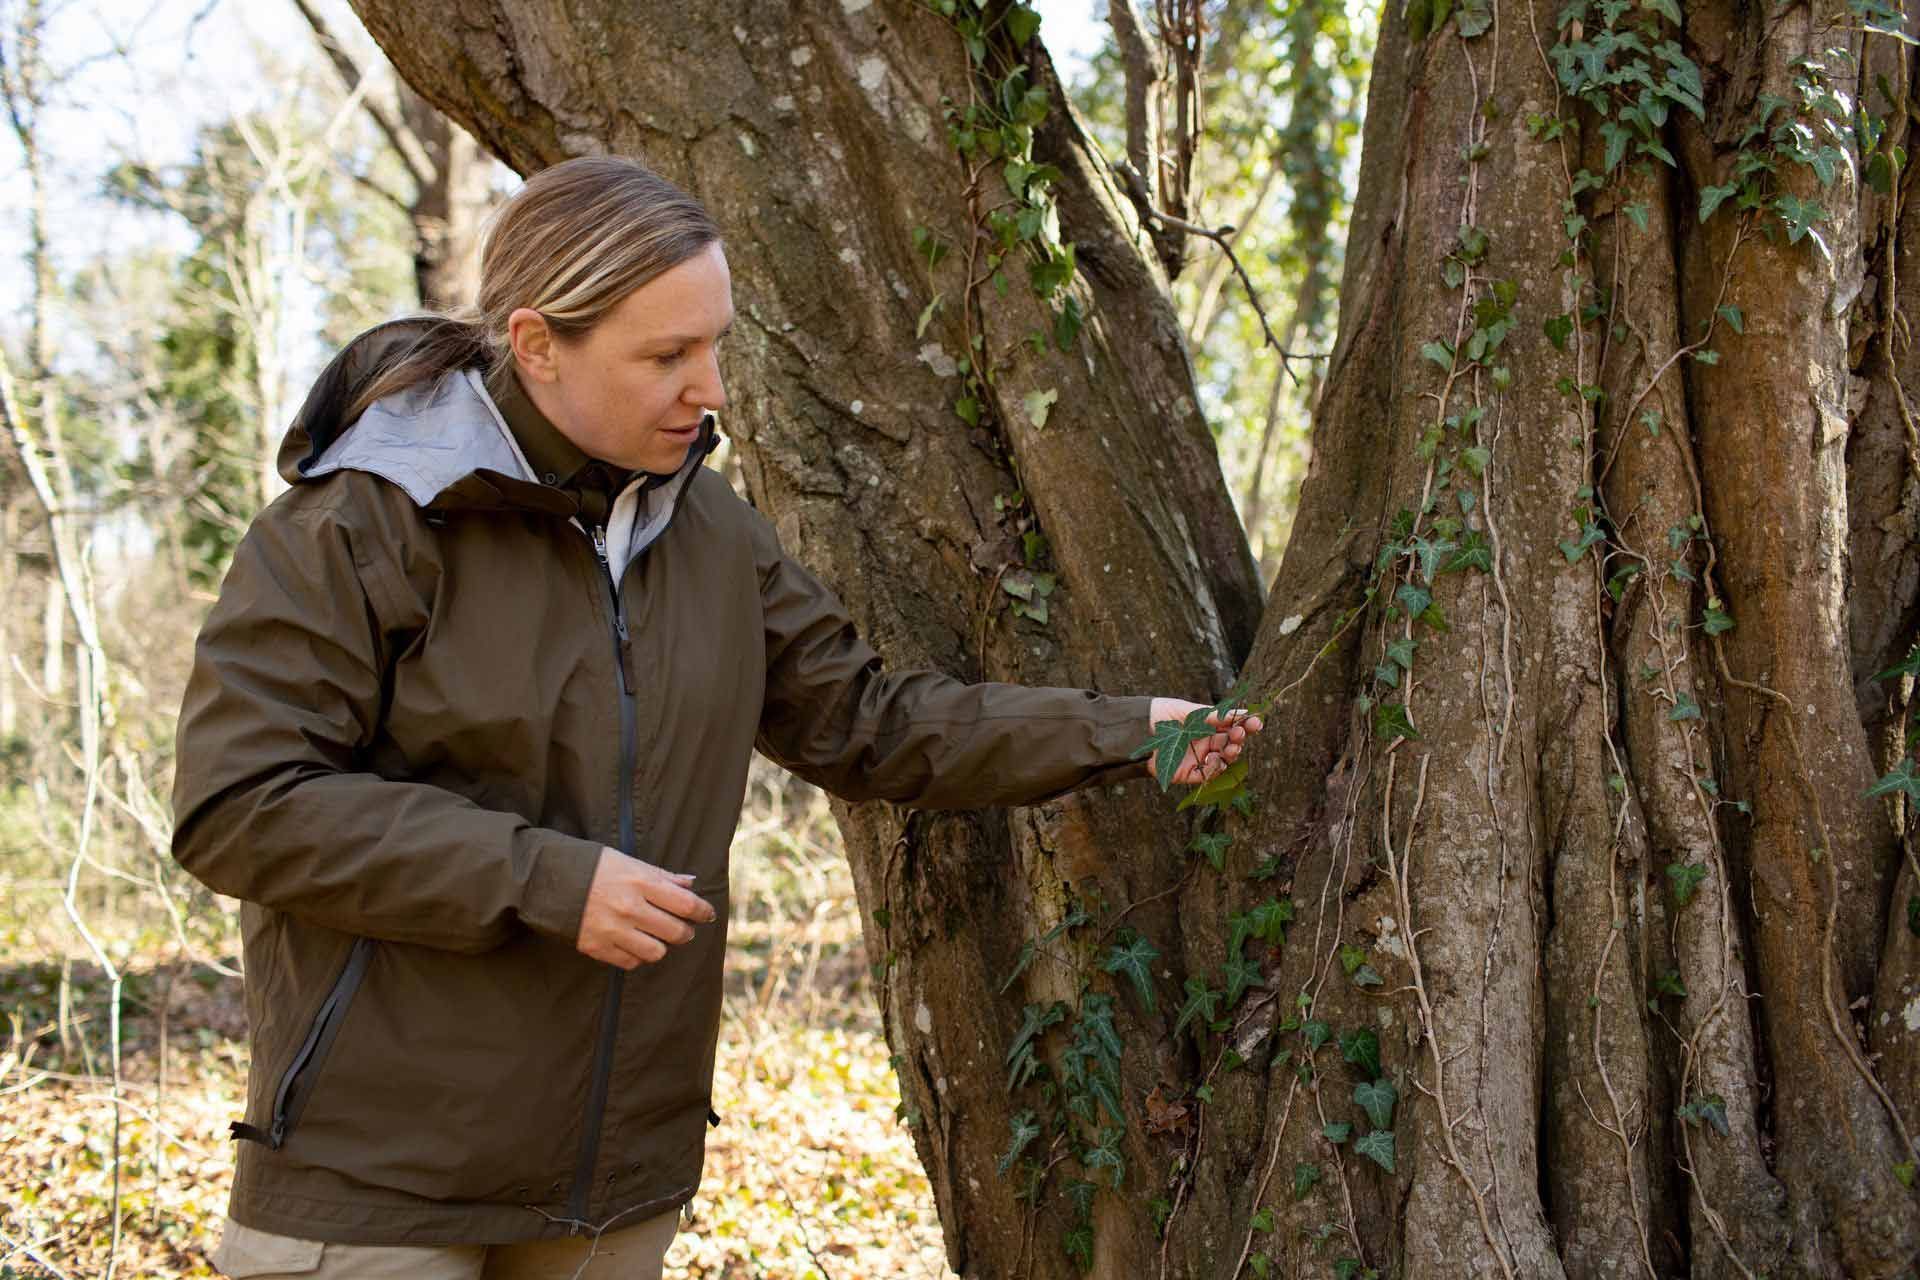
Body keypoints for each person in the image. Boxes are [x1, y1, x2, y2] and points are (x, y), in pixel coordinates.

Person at [170, 154, 1262, 1280]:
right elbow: (238, 802)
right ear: (538, 343)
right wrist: (542, 877)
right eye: (666, 355)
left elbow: (874, 721)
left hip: (612, 1184)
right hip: (377, 1188)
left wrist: (1130, 730)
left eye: (715, 345)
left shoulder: (708, 532)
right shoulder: (362, 523)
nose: (713, 389)